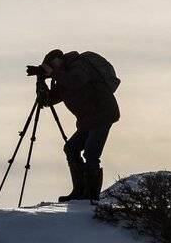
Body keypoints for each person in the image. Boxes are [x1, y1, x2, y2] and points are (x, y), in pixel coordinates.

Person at [36, 49, 120, 202]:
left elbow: (76, 81)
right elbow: (49, 100)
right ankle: (79, 191)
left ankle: (90, 196)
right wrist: (40, 83)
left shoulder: (78, 64)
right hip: (88, 120)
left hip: (103, 114)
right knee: (71, 148)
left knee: (91, 153)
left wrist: (54, 74)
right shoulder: (62, 77)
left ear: (58, 60)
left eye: (52, 65)